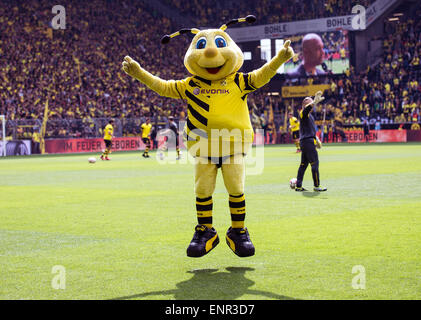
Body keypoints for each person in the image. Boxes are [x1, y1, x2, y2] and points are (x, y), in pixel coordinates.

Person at [294, 92, 327, 192]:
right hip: (307, 143)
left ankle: (298, 186)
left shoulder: (309, 116)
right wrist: (313, 103)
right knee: (314, 164)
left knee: (303, 165)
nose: (313, 104)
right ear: (305, 105)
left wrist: (316, 140)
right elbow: (307, 109)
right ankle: (316, 186)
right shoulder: (303, 113)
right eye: (311, 102)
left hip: (306, 142)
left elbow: (310, 130)